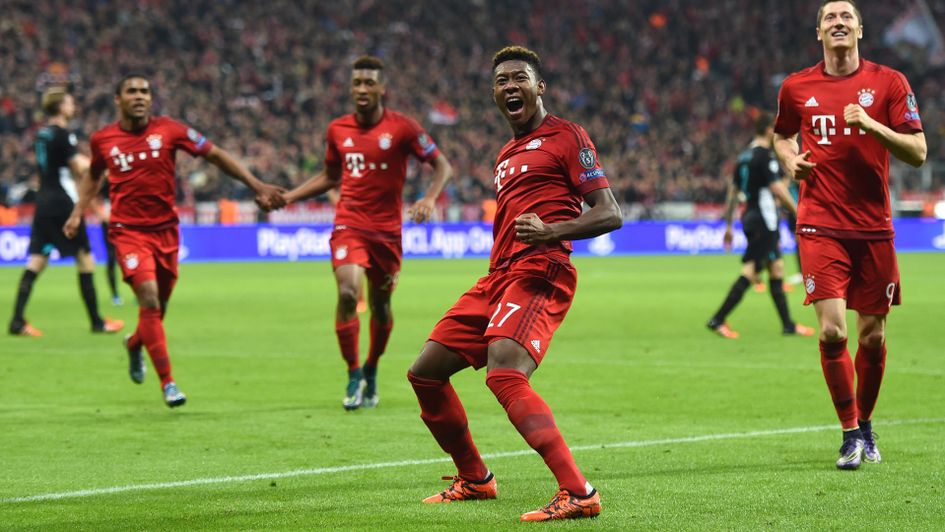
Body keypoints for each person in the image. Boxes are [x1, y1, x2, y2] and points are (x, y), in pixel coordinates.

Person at [406, 46, 622, 522]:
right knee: (425, 372)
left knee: (504, 373)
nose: (509, 86)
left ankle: (579, 492)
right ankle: (476, 479)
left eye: (519, 78)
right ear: (494, 94)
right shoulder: (505, 154)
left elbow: (610, 213)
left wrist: (552, 231)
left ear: (539, 87)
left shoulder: (567, 136)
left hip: (540, 269)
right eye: (501, 80)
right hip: (497, 278)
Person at [64, 74, 285, 407]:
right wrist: (78, 212)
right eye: (132, 91)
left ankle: (135, 343)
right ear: (118, 99)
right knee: (149, 299)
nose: (139, 97)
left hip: (166, 231)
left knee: (157, 309)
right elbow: (93, 176)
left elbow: (215, 154)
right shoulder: (103, 140)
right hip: (128, 232)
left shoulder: (170, 130)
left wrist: (257, 185)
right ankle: (168, 383)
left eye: (145, 92)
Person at [773, 0, 926, 469]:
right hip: (819, 221)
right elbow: (782, 134)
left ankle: (865, 424)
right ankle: (848, 434)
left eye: (845, 18)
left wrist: (872, 124)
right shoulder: (797, 87)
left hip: (873, 226)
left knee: (873, 337)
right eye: (829, 20)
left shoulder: (890, 83)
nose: (838, 24)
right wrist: (788, 159)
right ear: (819, 33)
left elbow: (918, 152)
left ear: (860, 29)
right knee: (833, 328)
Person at [282, 56, 453, 410]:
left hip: (387, 234)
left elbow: (443, 165)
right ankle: (353, 374)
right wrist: (289, 196)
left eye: (369, 83)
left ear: (381, 88)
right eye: (357, 83)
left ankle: (372, 367)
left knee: (382, 305)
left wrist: (429, 197)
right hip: (349, 224)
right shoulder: (337, 130)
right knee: (348, 293)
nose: (362, 89)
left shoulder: (403, 128)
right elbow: (330, 177)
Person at [8, 87, 123, 337]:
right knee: (85, 257)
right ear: (60, 107)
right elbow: (79, 167)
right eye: (70, 103)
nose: (73, 106)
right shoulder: (63, 135)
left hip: (44, 202)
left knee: (37, 260)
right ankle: (96, 322)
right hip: (62, 203)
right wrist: (105, 169)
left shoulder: (42, 135)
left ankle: (17, 321)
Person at [707, 112, 814, 339]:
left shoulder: (744, 156)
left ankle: (788, 325)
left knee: (777, 269)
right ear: (768, 130)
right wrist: (799, 212)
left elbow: (733, 192)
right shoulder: (765, 156)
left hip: (750, 217)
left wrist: (728, 226)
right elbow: (777, 188)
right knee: (751, 271)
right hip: (765, 220)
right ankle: (717, 319)